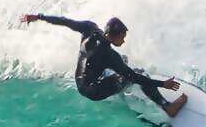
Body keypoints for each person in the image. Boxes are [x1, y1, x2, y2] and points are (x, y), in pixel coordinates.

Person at [20, 13, 187, 117]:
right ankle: (168, 107)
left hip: (80, 80)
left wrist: (38, 17)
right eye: (122, 37)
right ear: (113, 36)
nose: (124, 40)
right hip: (93, 91)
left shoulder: (89, 28)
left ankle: (117, 84)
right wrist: (163, 84)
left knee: (124, 62)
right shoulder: (109, 55)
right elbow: (134, 77)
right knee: (138, 73)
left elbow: (64, 21)